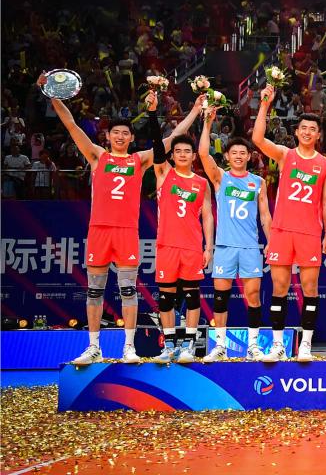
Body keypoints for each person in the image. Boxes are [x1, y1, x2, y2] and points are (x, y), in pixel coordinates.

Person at [49, 80, 200, 365]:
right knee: (94, 290)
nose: (120, 136)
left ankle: (128, 347)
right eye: (116, 132)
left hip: (127, 232)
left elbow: (173, 137)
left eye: (125, 133)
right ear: (107, 136)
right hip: (99, 230)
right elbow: (71, 125)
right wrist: (52, 95)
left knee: (128, 290)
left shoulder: (138, 161)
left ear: (131, 138)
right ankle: (94, 347)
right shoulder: (98, 155)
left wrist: (194, 111)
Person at [254, 85, 326, 362]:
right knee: (279, 288)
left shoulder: (325, 164)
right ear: (297, 132)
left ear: (318, 134)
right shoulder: (285, 155)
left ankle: (306, 345)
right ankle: (278, 345)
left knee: (310, 289)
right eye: (304, 128)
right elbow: (257, 138)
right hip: (282, 230)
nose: (308, 132)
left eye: (313, 129)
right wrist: (265, 104)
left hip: (310, 232)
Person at [198, 108, 273, 362]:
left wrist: (271, 242)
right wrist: (207, 123)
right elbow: (203, 153)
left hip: (250, 247)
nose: (239, 156)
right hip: (225, 247)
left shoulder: (258, 182)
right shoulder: (220, 178)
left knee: (253, 297)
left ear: (249, 157)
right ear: (227, 156)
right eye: (234, 153)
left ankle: (253, 346)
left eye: (243, 153)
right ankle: (220, 346)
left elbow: (265, 216)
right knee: (221, 297)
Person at [151, 131, 214, 364]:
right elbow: (158, 148)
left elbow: (207, 216)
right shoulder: (164, 173)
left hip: (191, 246)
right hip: (167, 244)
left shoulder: (202, 183)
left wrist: (209, 247)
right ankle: (169, 346)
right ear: (172, 155)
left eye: (187, 151)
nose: (183, 154)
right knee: (166, 297)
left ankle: (188, 345)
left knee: (192, 296)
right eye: (178, 151)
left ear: (194, 156)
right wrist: (152, 114)